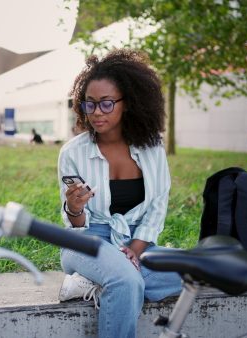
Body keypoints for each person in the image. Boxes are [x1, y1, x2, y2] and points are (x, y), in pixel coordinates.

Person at [57, 49, 182, 338]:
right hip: (87, 241)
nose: (97, 112)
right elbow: (73, 224)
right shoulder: (73, 152)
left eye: (106, 103)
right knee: (126, 282)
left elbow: (158, 205)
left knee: (199, 269)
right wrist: (74, 208)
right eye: (89, 104)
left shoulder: (152, 148)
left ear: (128, 103)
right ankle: (118, 281)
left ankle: (98, 284)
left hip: (135, 241)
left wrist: (133, 252)